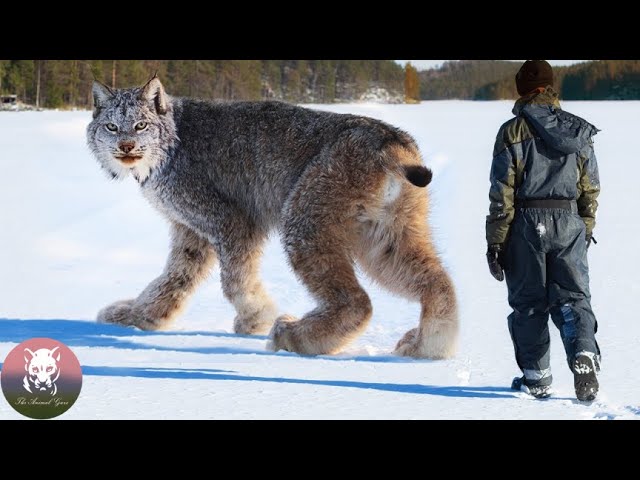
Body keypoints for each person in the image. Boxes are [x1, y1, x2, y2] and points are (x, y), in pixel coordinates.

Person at [485, 60, 601, 401]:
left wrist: (496, 242)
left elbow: (501, 193)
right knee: (574, 298)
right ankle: (583, 354)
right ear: (551, 88)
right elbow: (590, 188)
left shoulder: (512, 131)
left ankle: (536, 378)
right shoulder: (578, 131)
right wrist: (583, 230)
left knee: (529, 304)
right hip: (569, 223)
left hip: (525, 225)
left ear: (522, 90)